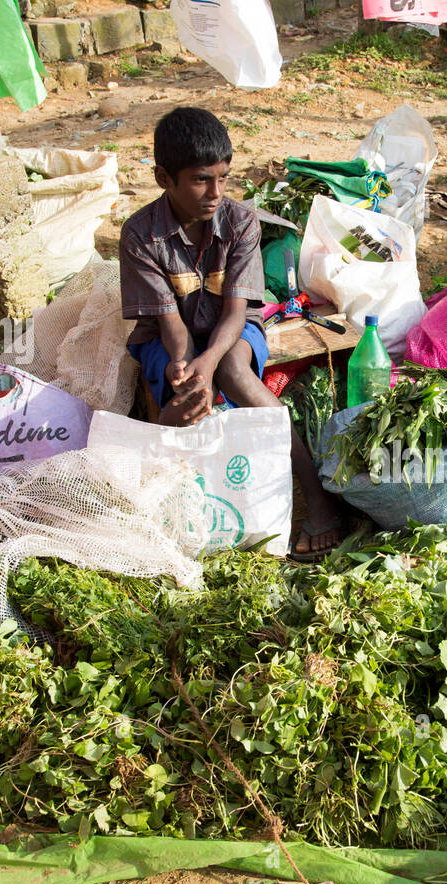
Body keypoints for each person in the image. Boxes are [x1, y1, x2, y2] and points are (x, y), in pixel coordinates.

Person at [119, 107, 343, 560]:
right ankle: (180, 506)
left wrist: (211, 360)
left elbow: (237, 311)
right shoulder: (140, 235)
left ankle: (318, 498)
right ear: (165, 178)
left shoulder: (240, 222)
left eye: (223, 177)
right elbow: (170, 325)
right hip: (166, 336)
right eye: (201, 180)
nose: (215, 192)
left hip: (234, 328)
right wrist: (186, 365)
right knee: (181, 397)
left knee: (234, 373)